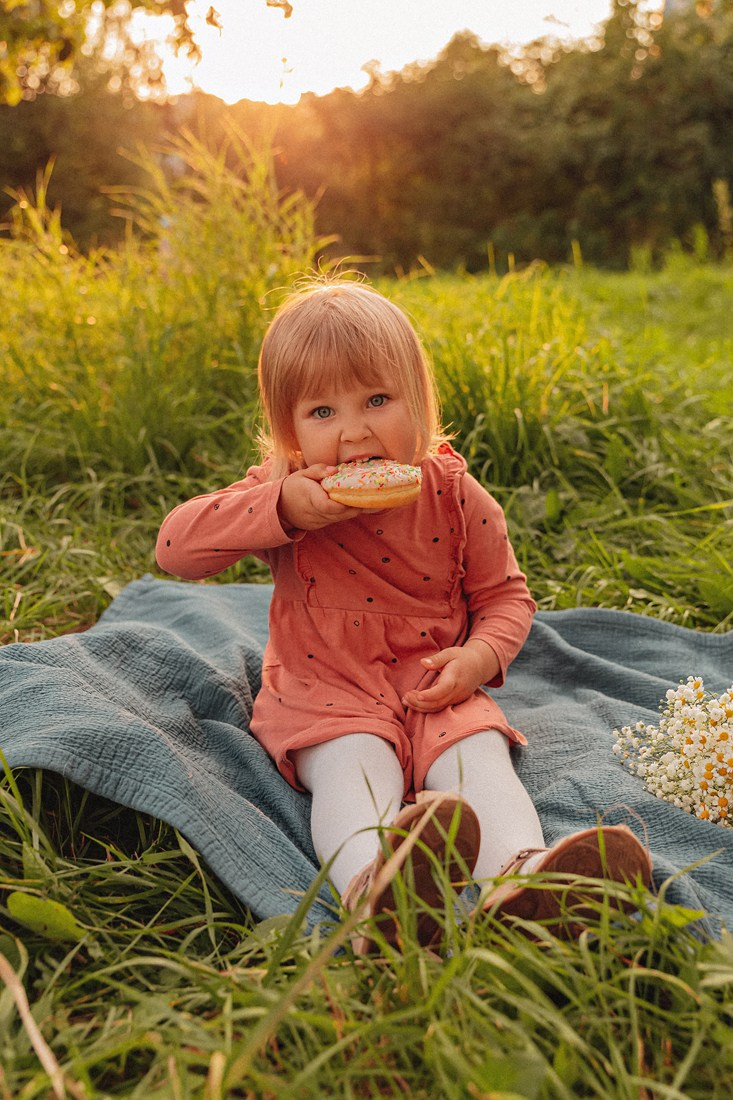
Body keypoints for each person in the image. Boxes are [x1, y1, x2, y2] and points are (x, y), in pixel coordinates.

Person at [156, 277, 651, 950]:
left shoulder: (455, 495)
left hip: (434, 683)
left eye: (377, 401)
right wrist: (279, 508)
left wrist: (479, 657)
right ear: (289, 432)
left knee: (479, 762)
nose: (355, 431)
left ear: (417, 399)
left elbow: (505, 597)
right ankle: (376, 893)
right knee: (354, 769)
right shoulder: (283, 493)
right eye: (322, 412)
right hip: (327, 688)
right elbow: (175, 549)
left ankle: (522, 881)